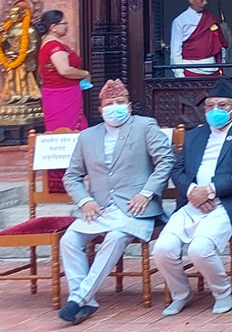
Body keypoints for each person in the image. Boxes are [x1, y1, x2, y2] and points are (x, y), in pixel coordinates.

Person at [57, 79, 173, 325]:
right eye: (109, 104)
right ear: (100, 110)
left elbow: (165, 161)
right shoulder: (87, 136)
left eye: (120, 102)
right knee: (69, 240)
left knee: (116, 237)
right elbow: (72, 176)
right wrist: (84, 200)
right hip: (99, 208)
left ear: (129, 106)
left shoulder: (144, 126)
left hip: (136, 206)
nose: (115, 107)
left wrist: (146, 193)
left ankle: (78, 299)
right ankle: (86, 300)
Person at [153, 79, 232, 316]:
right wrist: (193, 192)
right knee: (162, 249)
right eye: (210, 106)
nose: (215, 110)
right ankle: (181, 293)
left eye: (221, 105)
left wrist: (210, 191)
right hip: (193, 203)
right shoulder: (195, 135)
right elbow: (177, 170)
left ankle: (222, 293)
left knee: (200, 248)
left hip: (229, 204)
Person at [35, 10, 90, 131]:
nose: (67, 26)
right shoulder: (54, 46)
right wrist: (85, 73)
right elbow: (65, 70)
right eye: (64, 23)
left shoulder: (49, 43)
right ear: (53, 27)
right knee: (65, 129)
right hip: (62, 95)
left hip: (61, 93)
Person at [170, 0, 229, 78]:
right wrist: (180, 75)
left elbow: (219, 42)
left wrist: (221, 64)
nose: (205, 2)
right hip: (190, 70)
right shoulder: (180, 21)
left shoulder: (210, 18)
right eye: (201, 0)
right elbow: (175, 51)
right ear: (191, 0)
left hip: (213, 69)